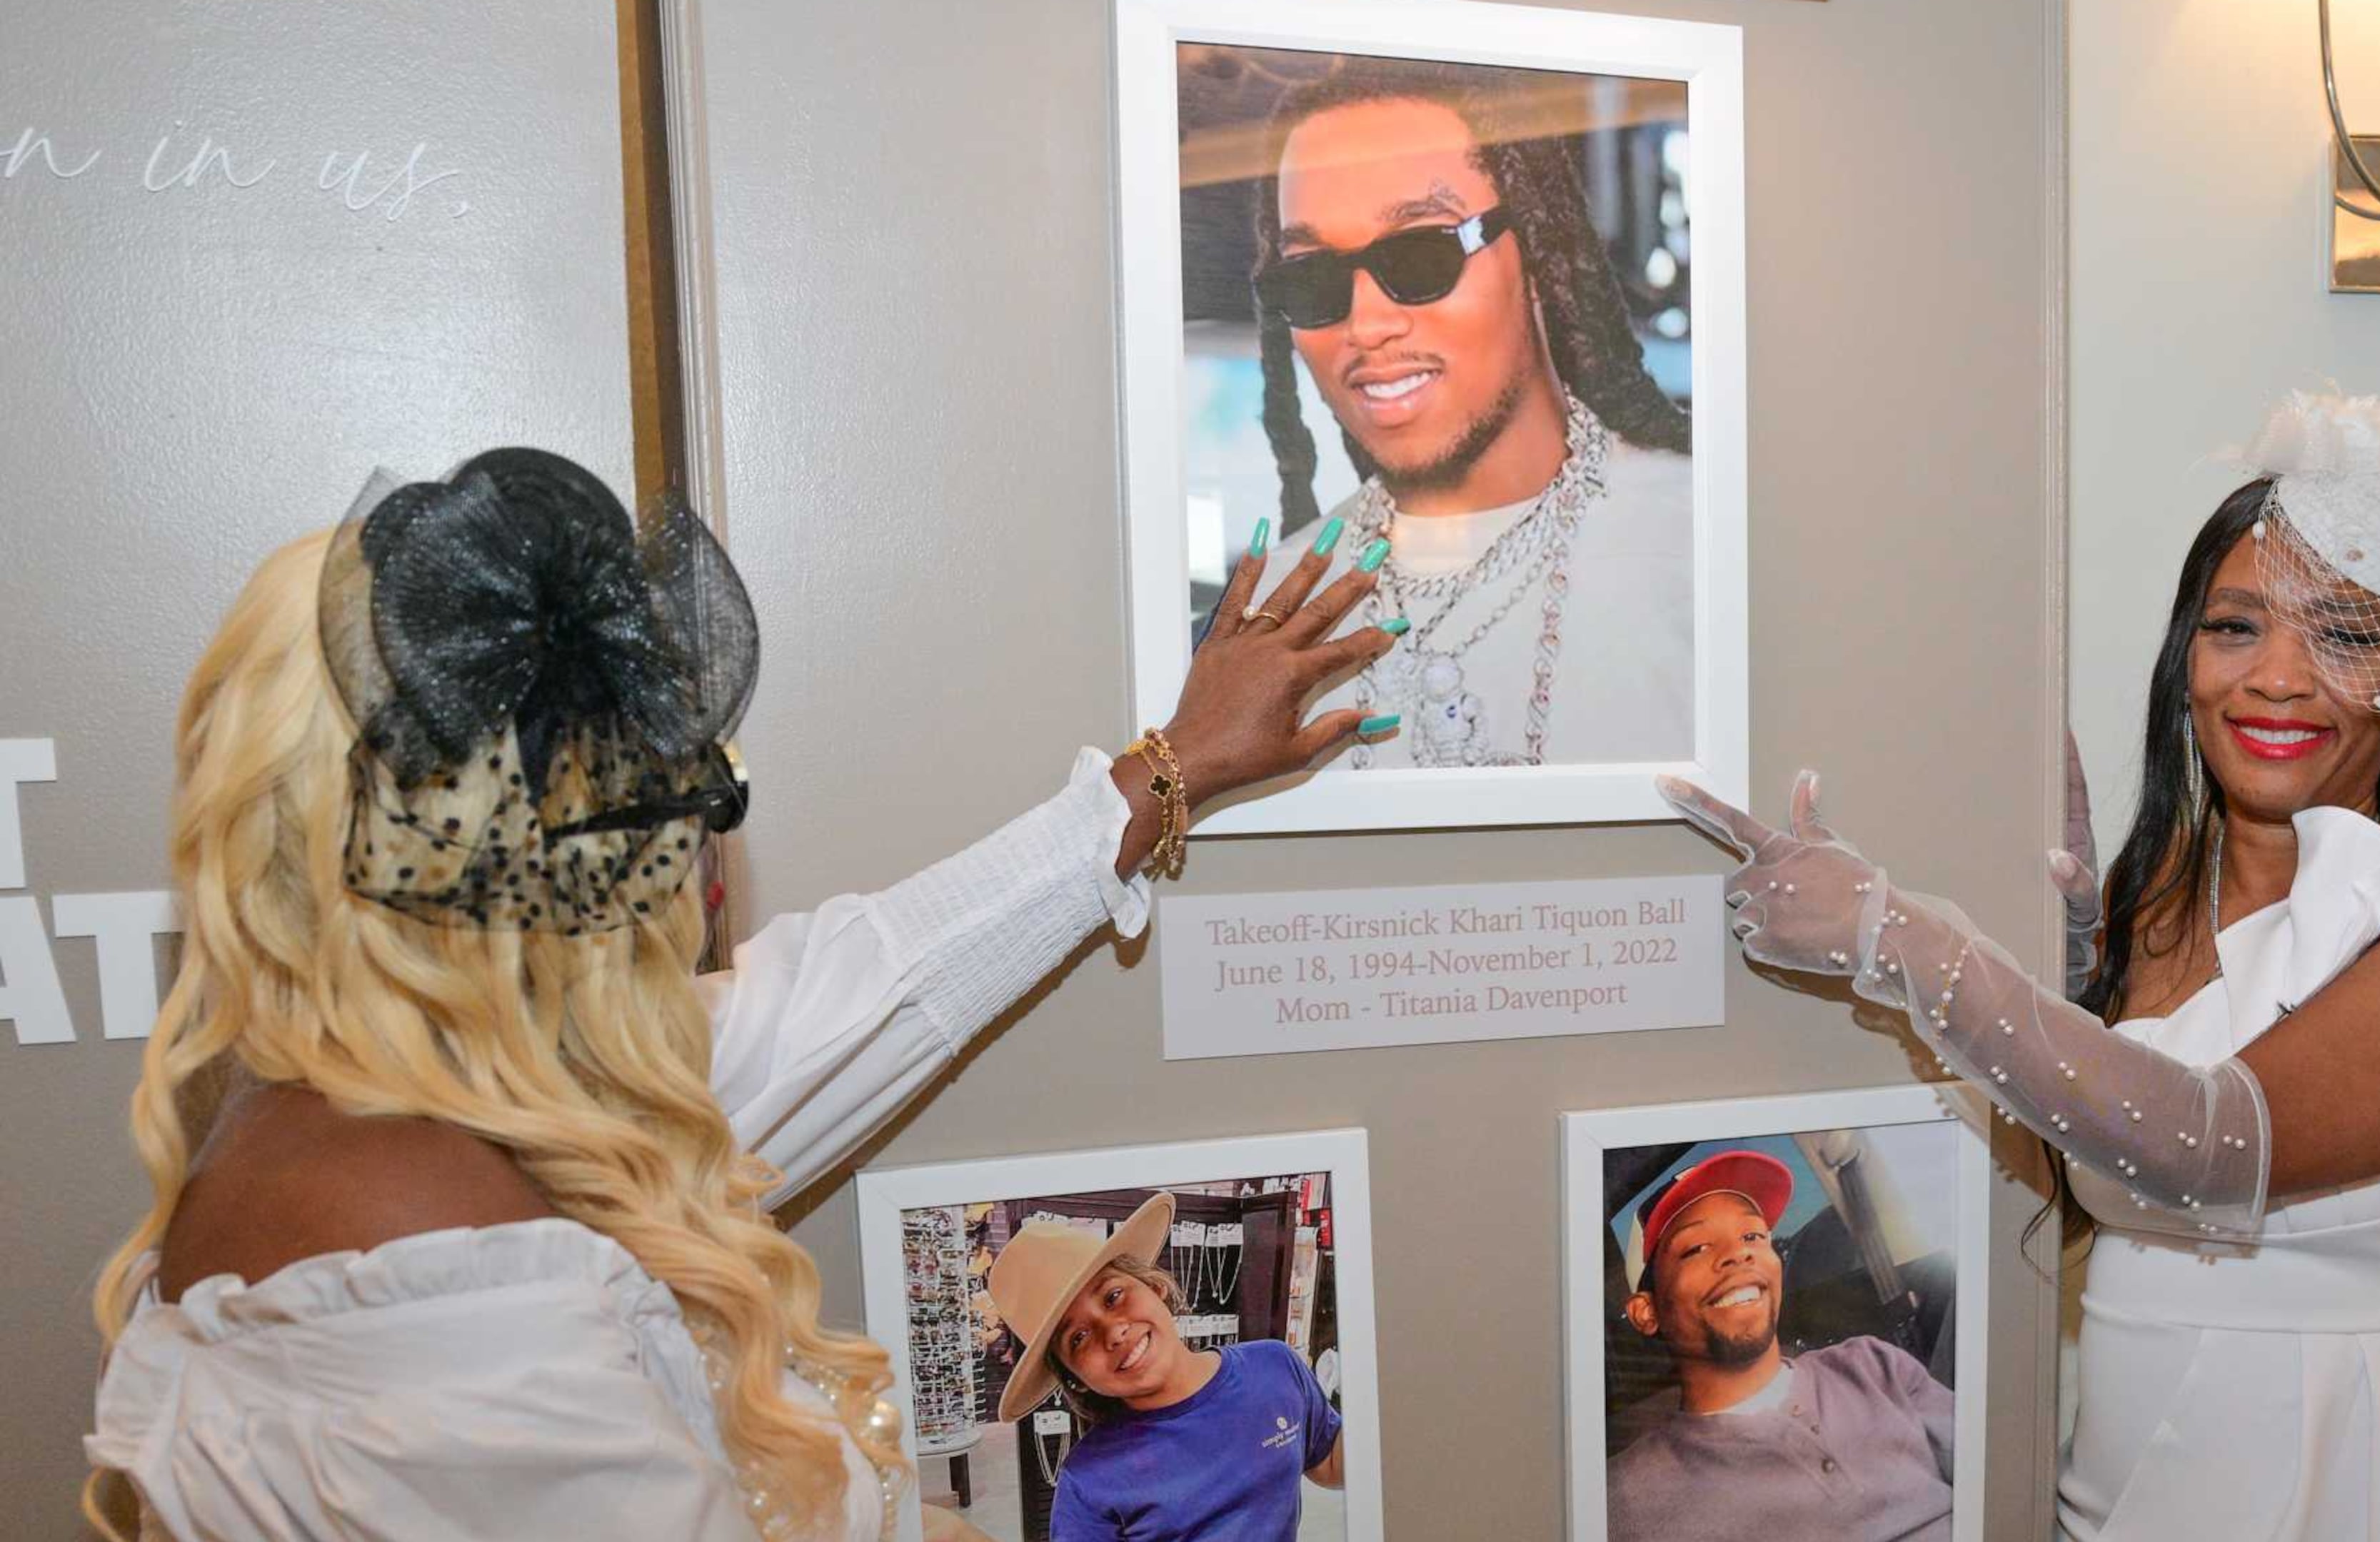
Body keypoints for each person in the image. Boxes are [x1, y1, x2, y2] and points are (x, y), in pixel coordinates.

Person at [80, 449, 1398, 1541]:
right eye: (672, 797)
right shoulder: (424, 1271)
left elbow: (878, 983)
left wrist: (1167, 772)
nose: (704, 851)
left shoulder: (485, 1106)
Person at [1665, 389, 2380, 1541]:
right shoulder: (2150, 903)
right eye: (2235, 626)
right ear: (2185, 655)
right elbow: (2100, 1208)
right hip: (2128, 1494)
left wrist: (1902, 939)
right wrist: (2078, 982)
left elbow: (2203, 1150)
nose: (2276, 679)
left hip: (2369, 1486)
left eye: (2341, 635)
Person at [1242, 56, 1694, 770]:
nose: (1367, 325)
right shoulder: (1272, 614)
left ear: (1539, 255)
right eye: (1312, 277)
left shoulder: (1698, 550)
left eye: (1421, 255)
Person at [1606, 1151, 1955, 1542]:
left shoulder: (1872, 1365)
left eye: (1753, 1235)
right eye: (1696, 1248)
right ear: (1646, 1312)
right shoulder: (1625, 1500)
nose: (1740, 1253)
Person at [984, 1194, 1340, 1541]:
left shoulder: (1274, 1367)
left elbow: (1328, 1463)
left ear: (1155, 1287)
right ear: (1075, 1380)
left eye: (1112, 1296)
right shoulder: (1090, 1481)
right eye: (1077, 1338)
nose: (1113, 1332)